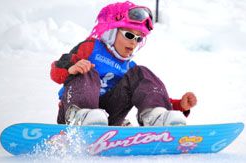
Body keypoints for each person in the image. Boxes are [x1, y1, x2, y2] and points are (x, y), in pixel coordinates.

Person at [50, 1, 197, 126]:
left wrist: (179, 106)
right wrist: (72, 68)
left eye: (139, 39)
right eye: (129, 35)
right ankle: (82, 116)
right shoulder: (90, 48)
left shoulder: (130, 69)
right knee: (87, 70)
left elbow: (148, 94)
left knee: (142, 73)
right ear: (111, 32)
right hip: (74, 110)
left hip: (108, 118)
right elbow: (56, 70)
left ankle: (157, 117)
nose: (134, 42)